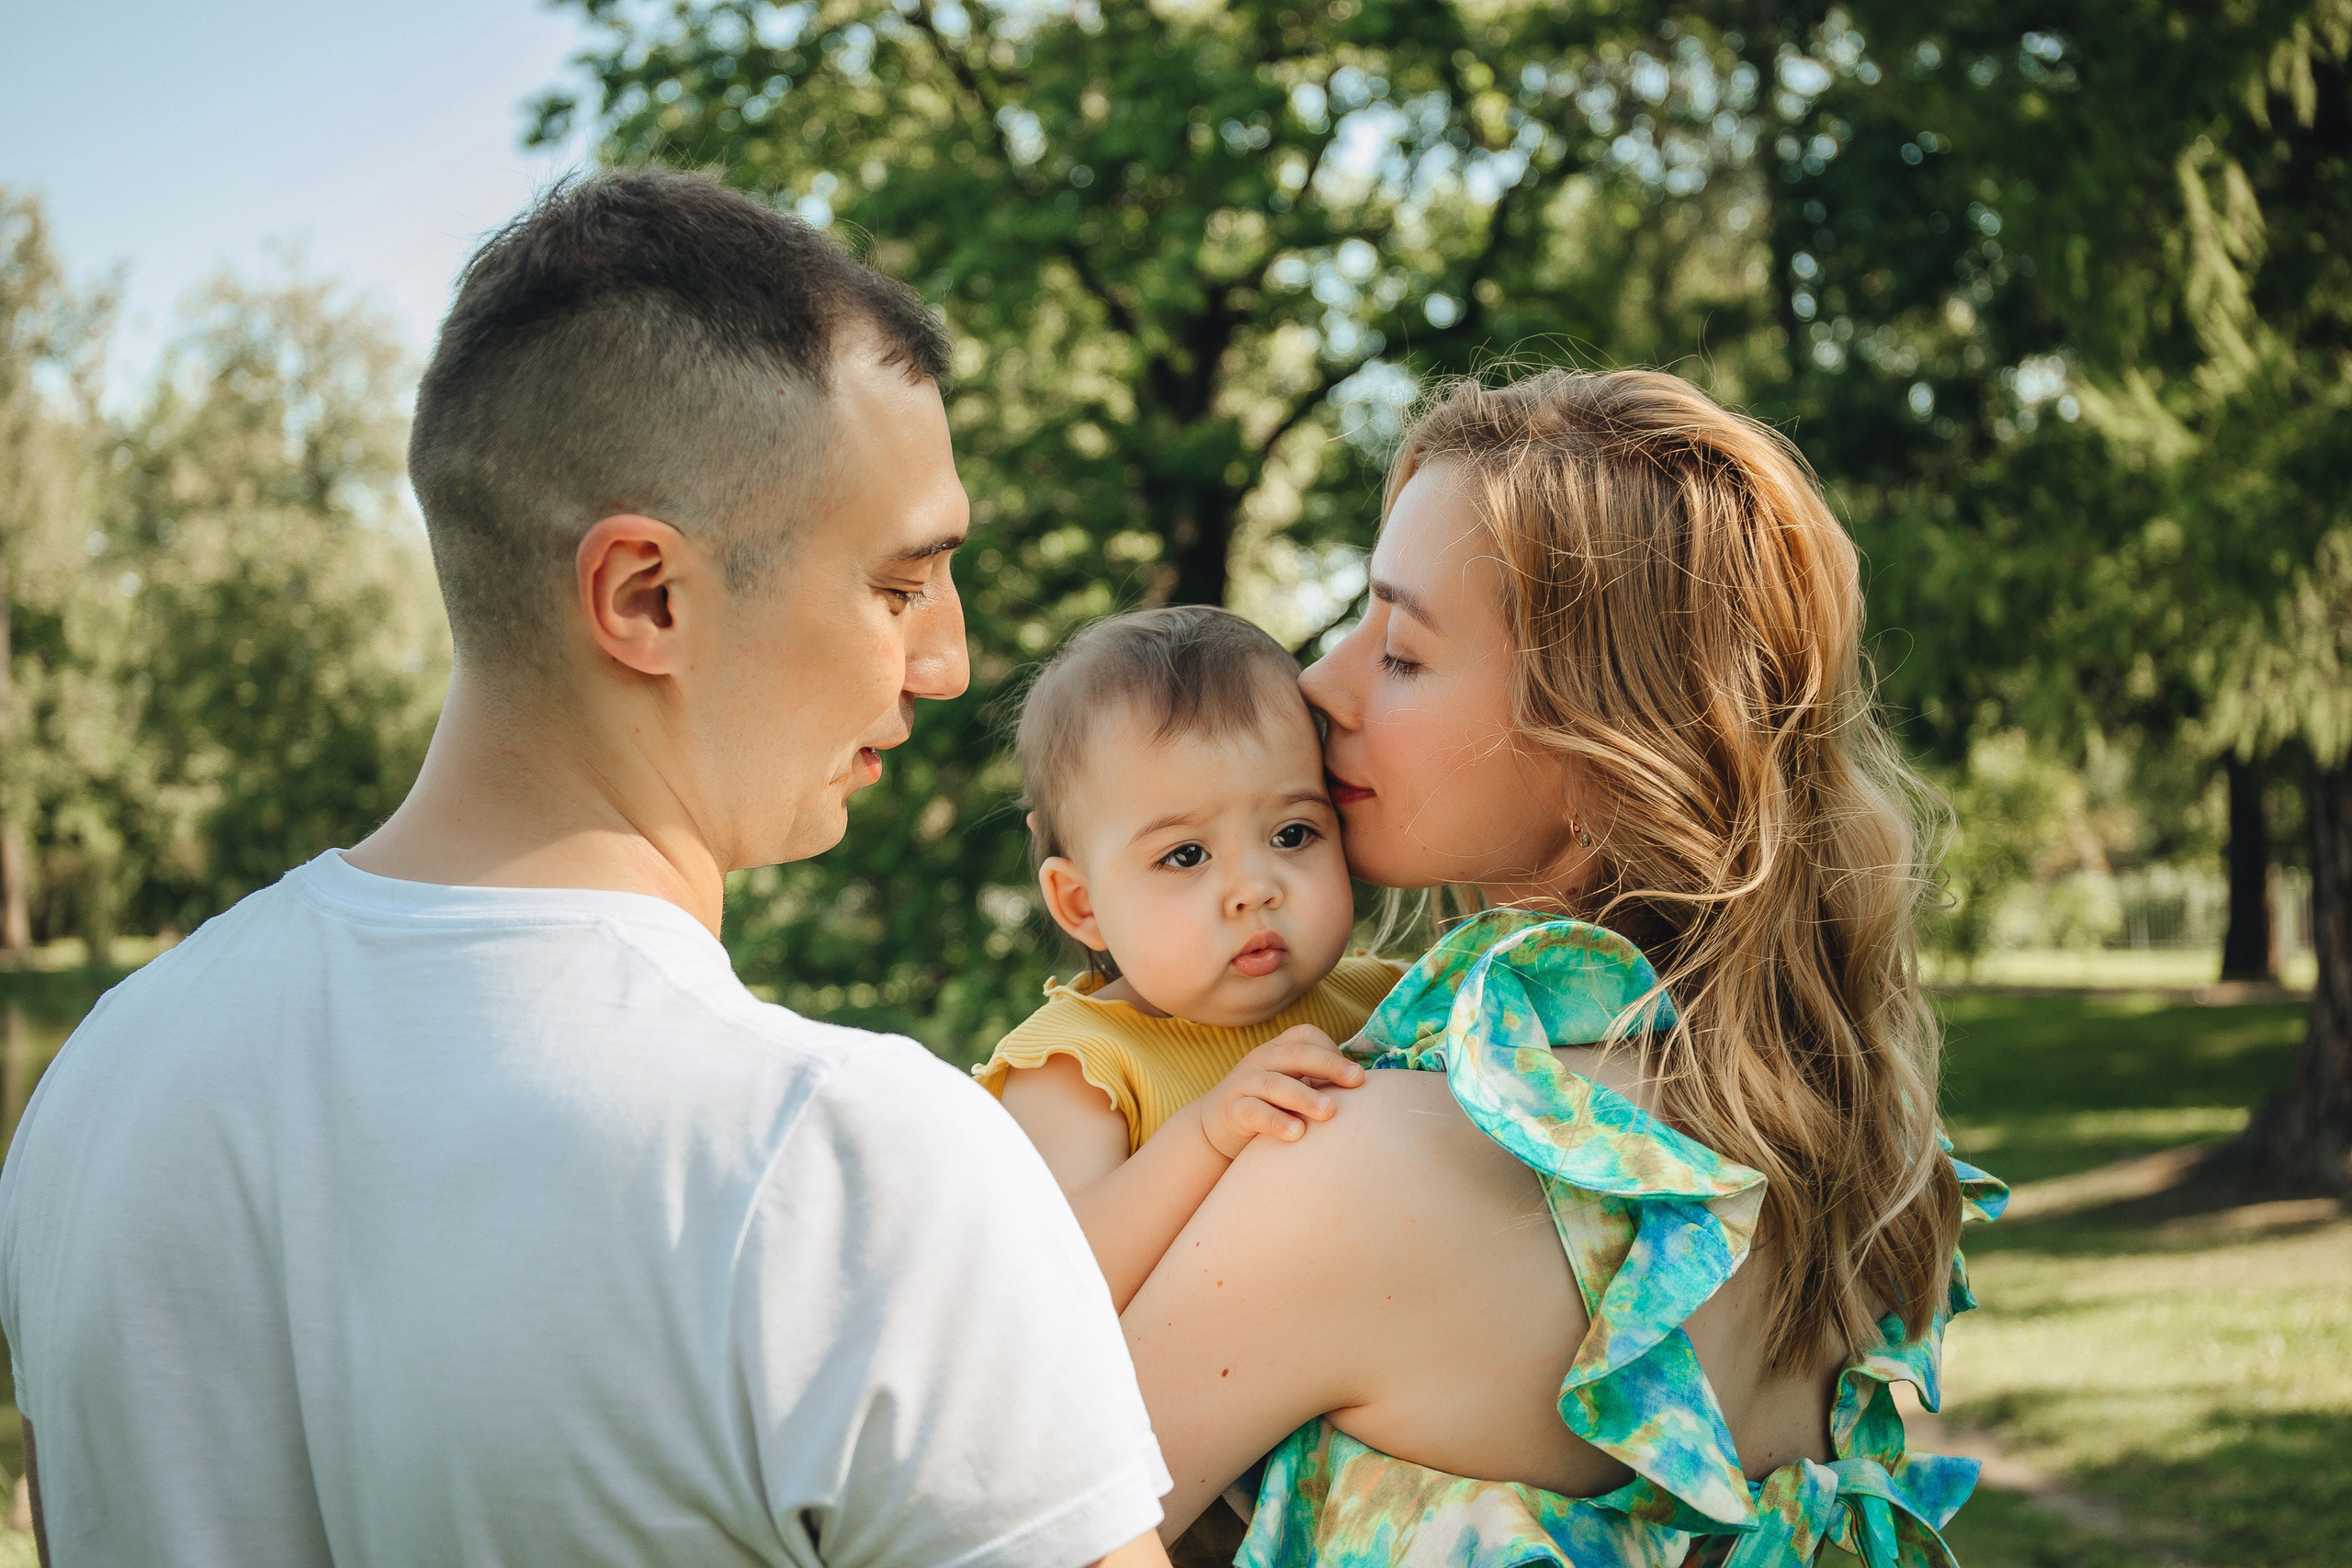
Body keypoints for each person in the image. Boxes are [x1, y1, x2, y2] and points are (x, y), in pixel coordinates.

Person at [0, 168, 1172, 1568]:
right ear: (646, 596)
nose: (949, 661)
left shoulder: (102, 1083)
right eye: (900, 583)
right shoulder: (841, 1165)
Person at [1122, 368, 2007, 1566]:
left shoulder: (1364, 1163)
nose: (1318, 682)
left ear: (1599, 756)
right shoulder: (1841, 1154)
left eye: (1403, 652)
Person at [974, 607, 1382, 1309]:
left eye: (1292, 832)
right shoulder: (1078, 1066)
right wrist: (1206, 1130)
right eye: (1185, 855)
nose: (1254, 888)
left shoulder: (1383, 997)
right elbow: (1051, 1285)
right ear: (1082, 904)